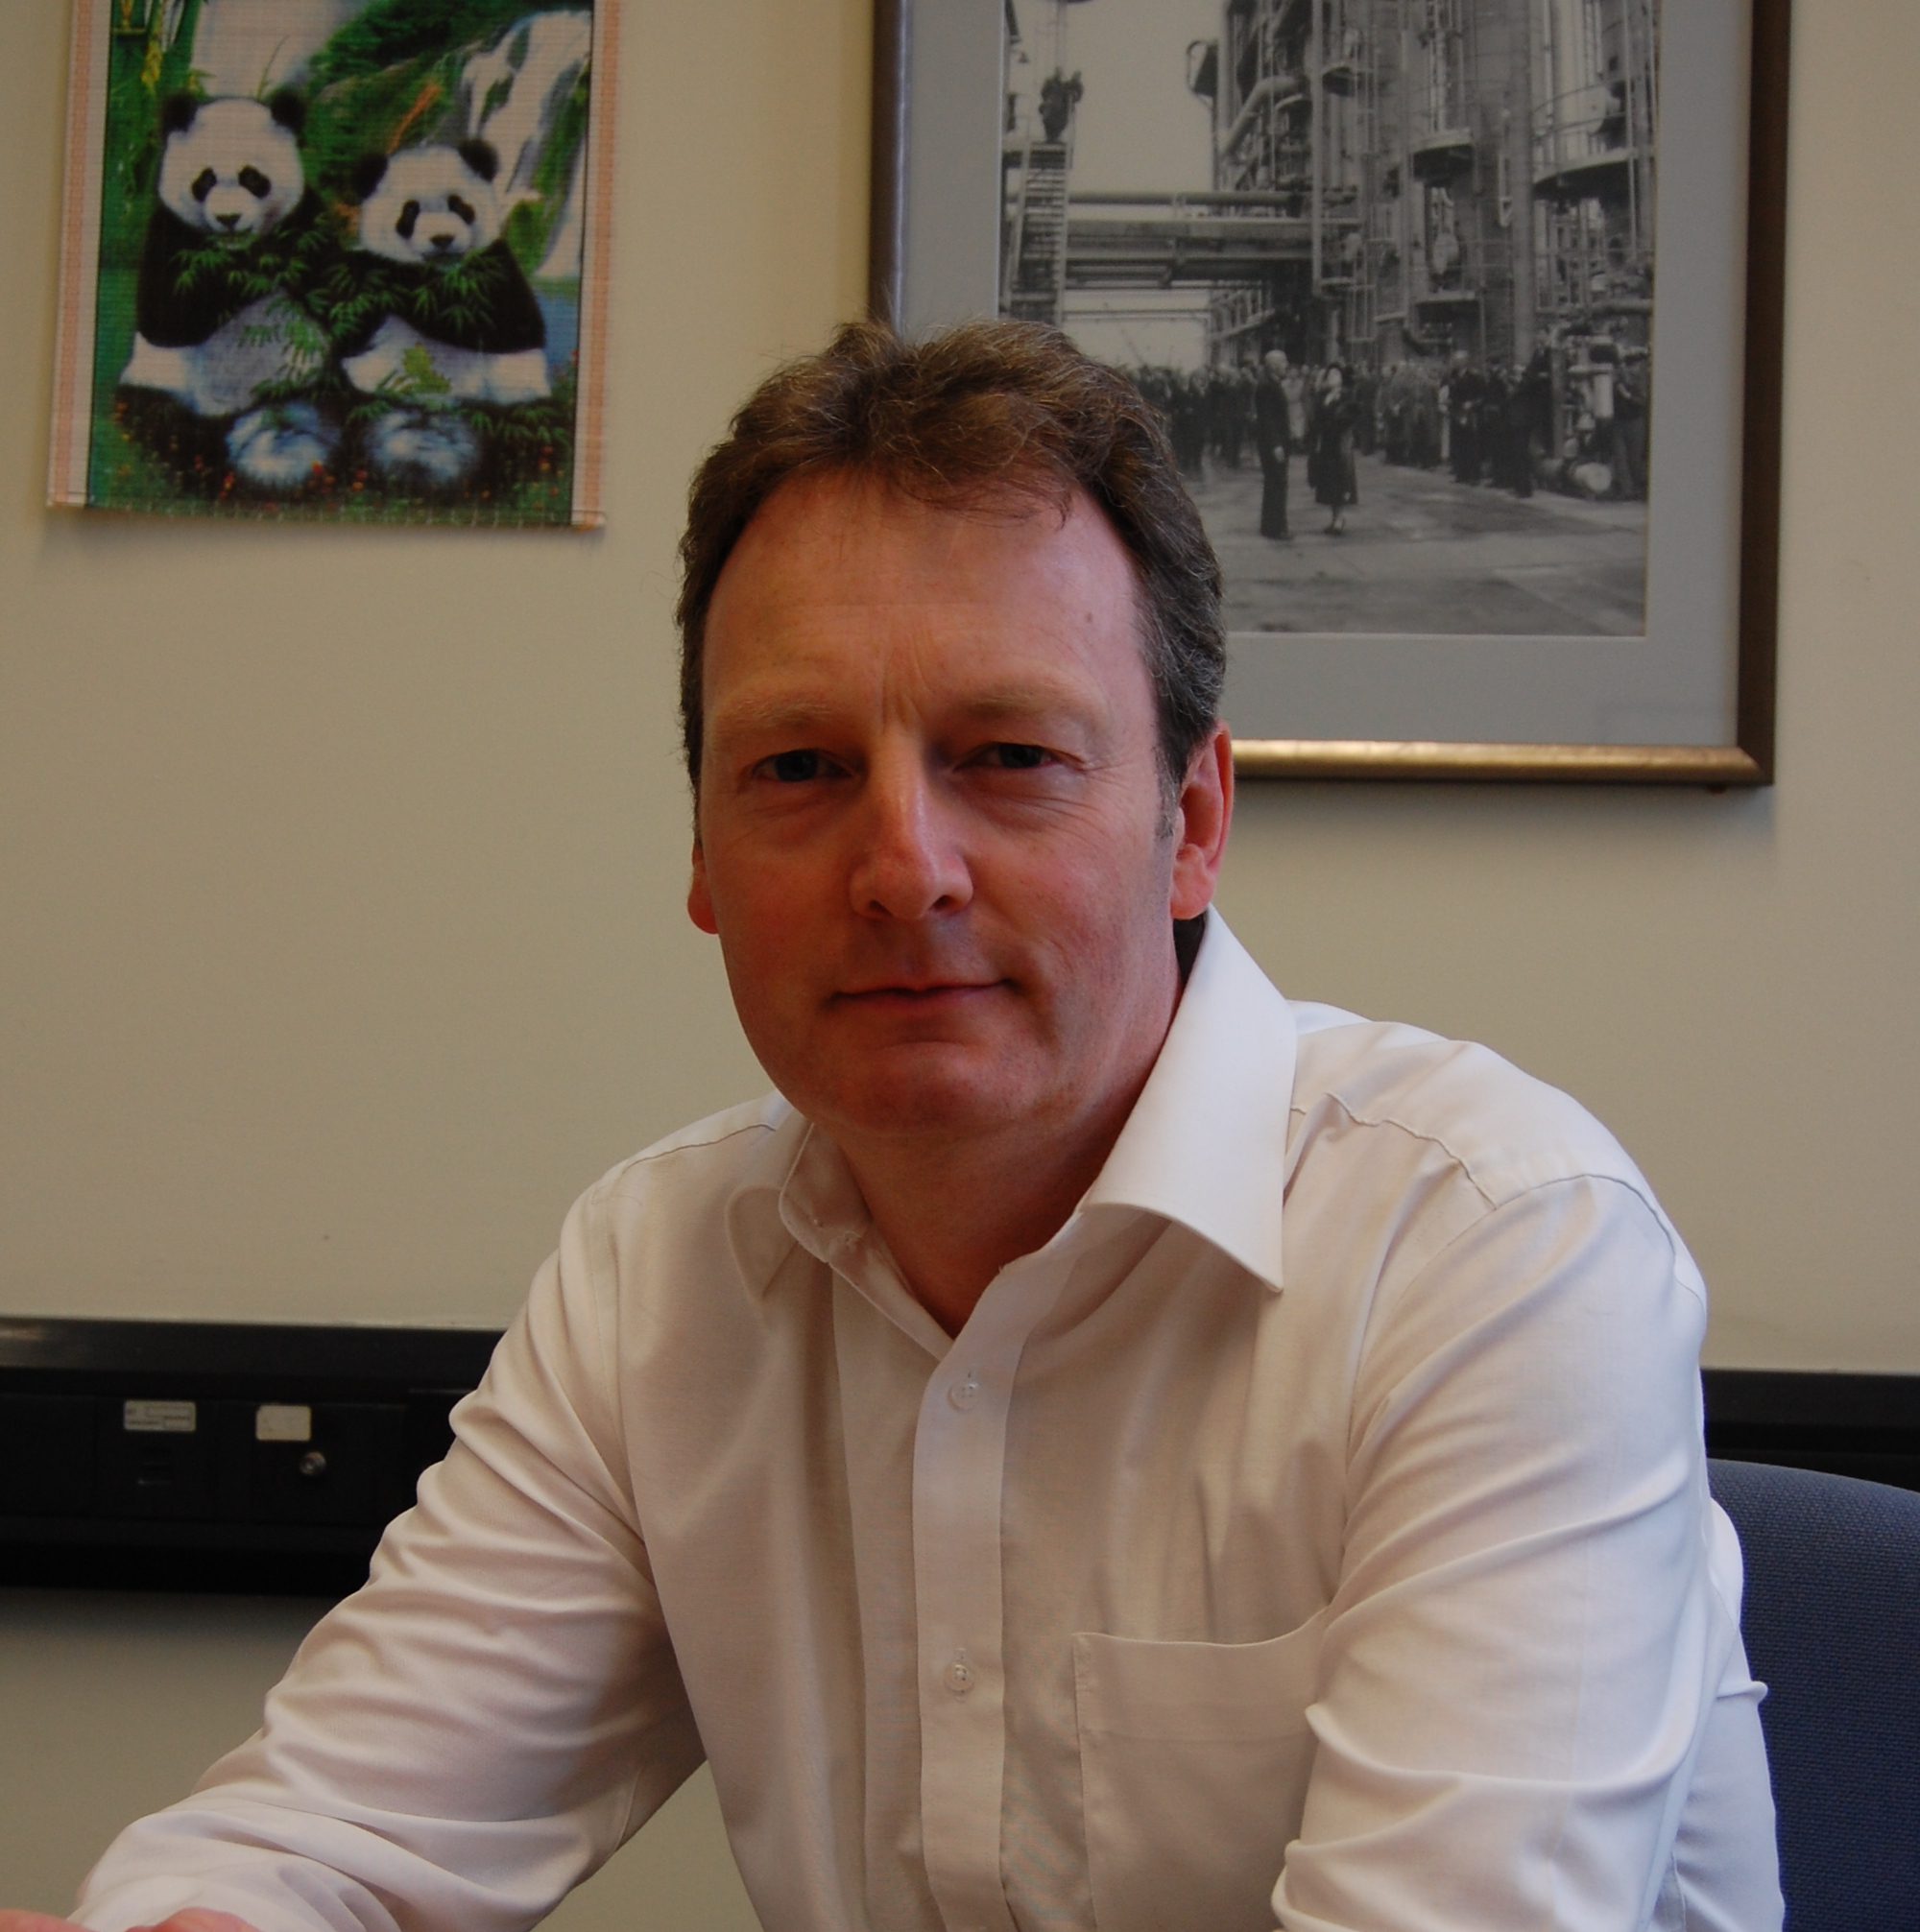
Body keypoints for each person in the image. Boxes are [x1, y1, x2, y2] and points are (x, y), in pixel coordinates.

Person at [4, 319, 1782, 1932]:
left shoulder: (1496, 1247)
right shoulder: (658, 1276)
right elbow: (317, 1837)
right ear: (704, 861)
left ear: (1190, 821)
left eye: (1009, 756)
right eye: (797, 768)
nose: (902, 868)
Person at [1310, 362, 1358, 534]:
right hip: (1326, 443)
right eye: (1330, 375)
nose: (1333, 377)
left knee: (1341, 480)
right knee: (1329, 481)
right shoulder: (1323, 396)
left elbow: (1350, 417)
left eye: (1336, 374)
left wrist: (1333, 425)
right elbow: (1316, 417)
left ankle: (1339, 518)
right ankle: (1334, 517)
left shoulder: (1347, 395)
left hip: (1340, 442)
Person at [1252, 346, 1295, 539]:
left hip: (1275, 442)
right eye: (1283, 361)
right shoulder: (1267, 386)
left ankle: (1272, 525)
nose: (1287, 365)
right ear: (1274, 365)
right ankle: (1276, 528)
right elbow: (1267, 419)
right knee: (1276, 484)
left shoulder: (1271, 383)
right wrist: (1276, 444)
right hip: (1273, 444)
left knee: (1276, 483)